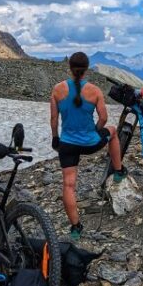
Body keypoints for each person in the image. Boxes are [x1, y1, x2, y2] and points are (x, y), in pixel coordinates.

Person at [50, 51, 124, 240]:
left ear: (70, 68)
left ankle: (76, 228)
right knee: (113, 130)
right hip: (91, 143)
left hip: (67, 144)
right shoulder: (95, 90)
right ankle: (118, 171)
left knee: (68, 185)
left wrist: (55, 138)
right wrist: (96, 131)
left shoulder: (57, 90)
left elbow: (53, 118)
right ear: (86, 69)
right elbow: (104, 118)